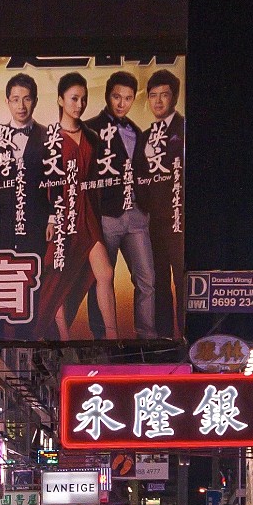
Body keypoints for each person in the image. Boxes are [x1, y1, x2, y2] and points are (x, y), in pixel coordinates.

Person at [37, 73, 118, 339]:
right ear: (61, 99)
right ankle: (63, 336)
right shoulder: (50, 138)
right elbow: (47, 182)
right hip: (63, 213)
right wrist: (50, 218)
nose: (79, 104)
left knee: (105, 273)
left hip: (89, 213)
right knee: (58, 277)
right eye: (74, 98)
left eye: (83, 99)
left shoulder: (93, 137)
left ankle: (113, 335)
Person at [91, 70, 157, 339]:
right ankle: (102, 336)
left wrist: (147, 205)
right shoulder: (91, 127)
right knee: (101, 278)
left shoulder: (137, 131)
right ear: (108, 95)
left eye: (128, 98)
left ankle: (147, 335)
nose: (121, 103)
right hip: (107, 216)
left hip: (137, 215)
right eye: (117, 97)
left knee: (147, 280)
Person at [136, 68, 186, 339]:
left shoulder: (184, 130)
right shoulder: (144, 136)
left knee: (182, 279)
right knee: (157, 282)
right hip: (151, 222)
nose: (157, 102)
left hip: (179, 220)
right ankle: (165, 338)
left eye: (164, 95)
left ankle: (185, 335)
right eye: (153, 96)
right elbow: (137, 176)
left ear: (174, 98)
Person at [0, 72, 49, 259]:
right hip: (2, 227)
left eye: (26, 99)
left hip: (37, 224)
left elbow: (56, 182)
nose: (21, 106)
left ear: (35, 101)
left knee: (36, 279)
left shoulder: (48, 137)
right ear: (7, 101)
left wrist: (53, 219)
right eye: (15, 100)